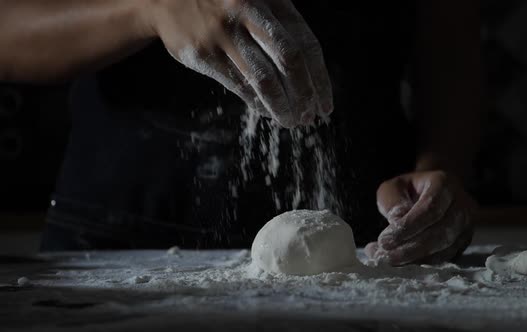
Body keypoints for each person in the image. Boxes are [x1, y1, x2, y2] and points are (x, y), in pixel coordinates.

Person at [0, 0, 481, 266]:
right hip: (116, 242)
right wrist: (146, 10)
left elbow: (451, 50)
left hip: (365, 248)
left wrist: (438, 170)